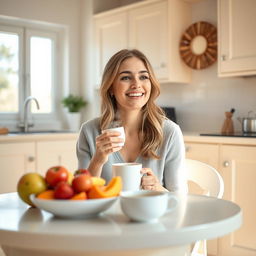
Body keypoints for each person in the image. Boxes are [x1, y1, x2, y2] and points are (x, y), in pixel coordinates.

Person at [76, 49, 187, 192]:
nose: (136, 84)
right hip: (106, 215)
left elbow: (180, 199)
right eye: (126, 78)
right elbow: (80, 195)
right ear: (110, 87)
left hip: (151, 214)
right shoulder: (89, 131)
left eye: (143, 77)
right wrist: (98, 160)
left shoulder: (170, 132)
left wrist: (158, 188)